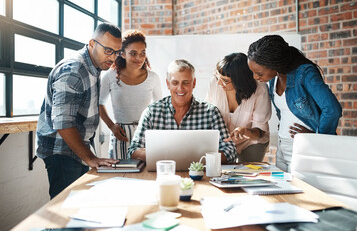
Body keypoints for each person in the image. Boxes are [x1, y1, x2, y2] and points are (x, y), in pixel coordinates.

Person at [36, 23, 122, 199]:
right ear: (92, 44)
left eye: (117, 52)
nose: (113, 57)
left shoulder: (94, 66)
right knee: (64, 214)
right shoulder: (74, 71)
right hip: (61, 151)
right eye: (108, 50)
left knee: (78, 207)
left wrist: (89, 156)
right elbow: (63, 122)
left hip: (77, 149)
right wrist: (91, 158)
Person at [247, 35, 342, 172]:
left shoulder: (304, 74)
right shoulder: (273, 80)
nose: (255, 77)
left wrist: (318, 137)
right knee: (282, 189)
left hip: (304, 149)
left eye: (258, 73)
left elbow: (332, 109)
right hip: (282, 149)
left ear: (274, 65)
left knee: (303, 192)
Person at [128, 59, 236, 163]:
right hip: (161, 175)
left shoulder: (211, 113)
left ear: (193, 83)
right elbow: (133, 151)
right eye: (175, 83)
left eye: (186, 83)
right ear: (168, 84)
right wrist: (166, 157)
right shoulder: (152, 112)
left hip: (200, 176)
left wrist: (198, 159)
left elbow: (230, 150)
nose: (180, 88)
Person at [99, 30, 162, 159]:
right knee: (120, 175)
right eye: (133, 53)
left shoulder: (153, 77)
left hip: (145, 132)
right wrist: (112, 126)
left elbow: (159, 107)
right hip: (120, 133)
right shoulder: (110, 76)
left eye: (142, 53)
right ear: (122, 54)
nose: (139, 58)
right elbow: (99, 103)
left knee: (144, 174)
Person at [206, 53, 271, 162]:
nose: (219, 83)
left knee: (246, 173)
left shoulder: (260, 89)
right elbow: (207, 112)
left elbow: (260, 132)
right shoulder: (215, 83)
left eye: (225, 81)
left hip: (250, 141)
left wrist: (244, 131)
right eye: (218, 77)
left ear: (239, 81)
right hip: (223, 142)